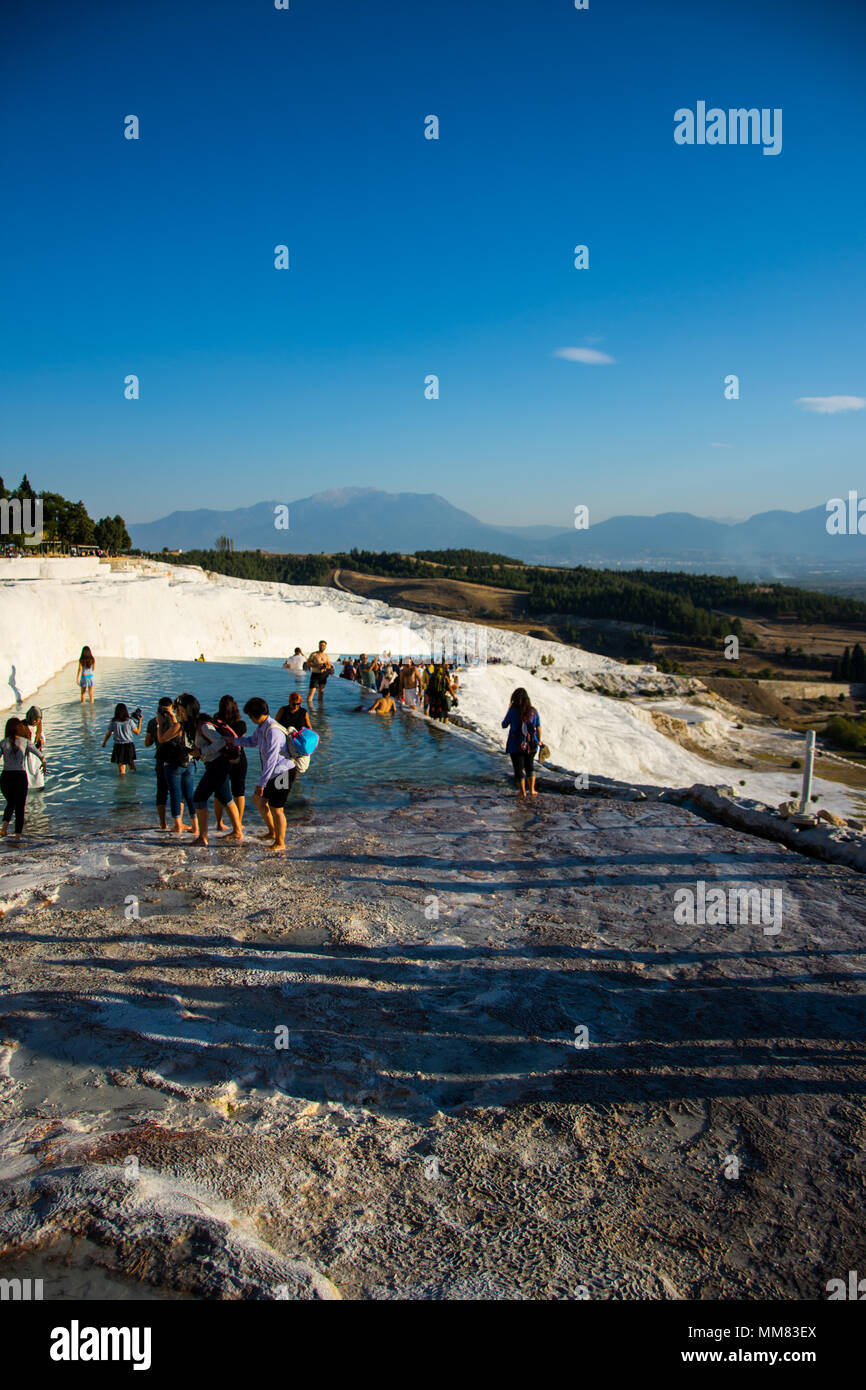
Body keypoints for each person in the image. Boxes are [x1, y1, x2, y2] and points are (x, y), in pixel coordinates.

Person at [239, 697, 294, 853]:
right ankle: (272, 831)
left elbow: (271, 759)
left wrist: (261, 783)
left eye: (249, 715)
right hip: (272, 773)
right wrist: (234, 741)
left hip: (283, 772)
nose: (249, 718)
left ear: (255, 714)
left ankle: (280, 842)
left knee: (277, 808)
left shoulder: (273, 731)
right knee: (258, 800)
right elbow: (252, 741)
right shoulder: (262, 727)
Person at [190, 703, 244, 846]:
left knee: (199, 797)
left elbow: (220, 741)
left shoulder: (203, 726)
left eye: (180, 711)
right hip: (216, 764)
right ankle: (237, 831)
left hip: (218, 764)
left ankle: (203, 838)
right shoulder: (197, 726)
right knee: (226, 797)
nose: (179, 714)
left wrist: (201, 752)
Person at [154, 697, 197, 834]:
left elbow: (162, 739)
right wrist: (172, 716)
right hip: (189, 762)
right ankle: (195, 825)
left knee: (175, 794)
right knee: (189, 795)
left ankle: (177, 825)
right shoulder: (193, 724)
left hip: (174, 763)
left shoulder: (179, 725)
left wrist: (159, 724)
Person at [1, 717, 46, 840]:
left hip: (6, 777)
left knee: (10, 803)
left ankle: (4, 827)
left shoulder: (3, 743)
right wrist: (44, 764)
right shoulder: (25, 742)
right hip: (19, 776)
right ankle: (17, 836)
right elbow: (40, 755)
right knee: (20, 806)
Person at [214, 695, 247, 830]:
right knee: (239, 792)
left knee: (219, 792)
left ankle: (219, 823)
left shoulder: (216, 723)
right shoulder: (241, 725)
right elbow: (243, 741)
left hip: (221, 759)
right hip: (239, 759)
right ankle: (238, 823)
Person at [502, 688, 541, 800]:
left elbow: (504, 725)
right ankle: (532, 790)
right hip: (531, 744)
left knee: (518, 768)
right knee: (530, 766)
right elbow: (538, 727)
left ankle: (522, 792)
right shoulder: (533, 711)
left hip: (515, 744)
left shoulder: (513, 711)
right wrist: (538, 740)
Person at [275, 692, 313, 789]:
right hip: (284, 740)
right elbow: (274, 724)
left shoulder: (303, 712)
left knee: (298, 765)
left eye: (298, 704)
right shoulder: (283, 710)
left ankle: (293, 781)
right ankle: (284, 783)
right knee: (285, 763)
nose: (295, 706)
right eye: (293, 704)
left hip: (297, 742)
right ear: (289, 702)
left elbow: (309, 727)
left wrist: (311, 740)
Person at [144, 697, 171, 829]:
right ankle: (179, 822)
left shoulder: (152, 722)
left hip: (160, 758)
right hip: (174, 759)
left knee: (161, 791)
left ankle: (163, 823)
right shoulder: (175, 722)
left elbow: (147, 743)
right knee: (178, 792)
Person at [101, 703, 142, 776]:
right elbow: (137, 732)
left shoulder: (113, 722)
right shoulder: (129, 721)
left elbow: (108, 733)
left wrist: (104, 742)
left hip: (118, 746)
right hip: (129, 745)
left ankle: (122, 784)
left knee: (121, 769)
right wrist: (140, 721)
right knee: (131, 765)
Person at [24, 705, 45, 790]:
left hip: (36, 754)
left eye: (38, 720)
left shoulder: (39, 726)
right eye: (35, 719)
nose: (36, 721)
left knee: (38, 772)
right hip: (26, 754)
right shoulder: (23, 726)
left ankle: (39, 787)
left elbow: (41, 735)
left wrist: (42, 740)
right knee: (27, 772)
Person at [307, 640, 333, 706]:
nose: (322, 646)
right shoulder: (314, 654)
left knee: (321, 692)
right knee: (311, 693)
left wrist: (325, 666)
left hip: (323, 675)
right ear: (319, 646)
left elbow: (329, 665)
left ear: (325, 647)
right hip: (315, 674)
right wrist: (316, 665)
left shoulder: (326, 655)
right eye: (321, 645)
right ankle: (310, 710)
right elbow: (308, 663)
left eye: (323, 645)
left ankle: (320, 709)